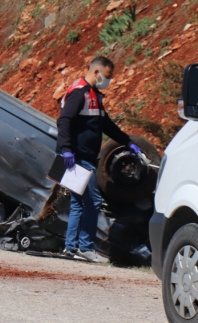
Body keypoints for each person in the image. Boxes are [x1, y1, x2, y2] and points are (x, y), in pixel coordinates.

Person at [56, 56, 141, 262]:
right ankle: (85, 248)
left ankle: (70, 248)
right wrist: (66, 150)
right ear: (96, 72)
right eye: (107, 76)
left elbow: (106, 124)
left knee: (77, 204)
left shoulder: (93, 94)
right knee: (93, 201)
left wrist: (127, 141)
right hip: (77, 158)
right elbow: (64, 120)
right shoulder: (80, 93)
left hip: (79, 157)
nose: (108, 81)